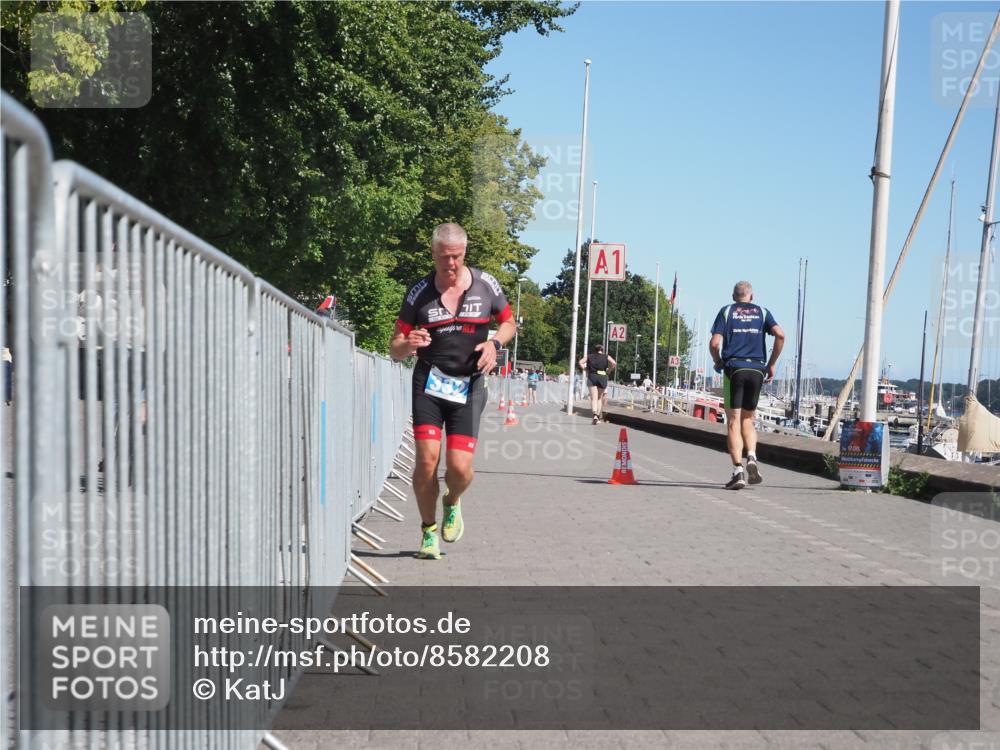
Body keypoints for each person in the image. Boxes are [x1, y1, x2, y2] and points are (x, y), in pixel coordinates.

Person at [390, 223, 516, 560]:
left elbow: (509, 322)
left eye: (457, 257)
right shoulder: (418, 293)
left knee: (459, 469)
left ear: (465, 253)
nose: (451, 264)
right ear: (433, 254)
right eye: (444, 258)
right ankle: (428, 532)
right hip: (429, 385)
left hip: (470, 386)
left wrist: (494, 344)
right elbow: (395, 347)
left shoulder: (486, 285)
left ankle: (452, 501)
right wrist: (409, 343)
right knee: (427, 462)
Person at [710, 280, 785, 490]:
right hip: (757, 370)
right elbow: (780, 334)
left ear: (734, 297)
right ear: (752, 296)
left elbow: (715, 343)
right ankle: (752, 456)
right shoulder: (763, 312)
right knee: (748, 419)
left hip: (735, 369)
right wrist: (771, 364)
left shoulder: (726, 312)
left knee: (733, 421)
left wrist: (717, 360)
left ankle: (738, 471)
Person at [578, 344, 616, 425]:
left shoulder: (589, 356)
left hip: (592, 376)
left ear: (595, 350)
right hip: (602, 377)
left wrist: (585, 369)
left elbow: (580, 362)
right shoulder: (606, 356)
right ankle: (598, 417)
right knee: (599, 398)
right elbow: (614, 363)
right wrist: (609, 370)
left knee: (593, 398)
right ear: (602, 350)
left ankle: (594, 415)